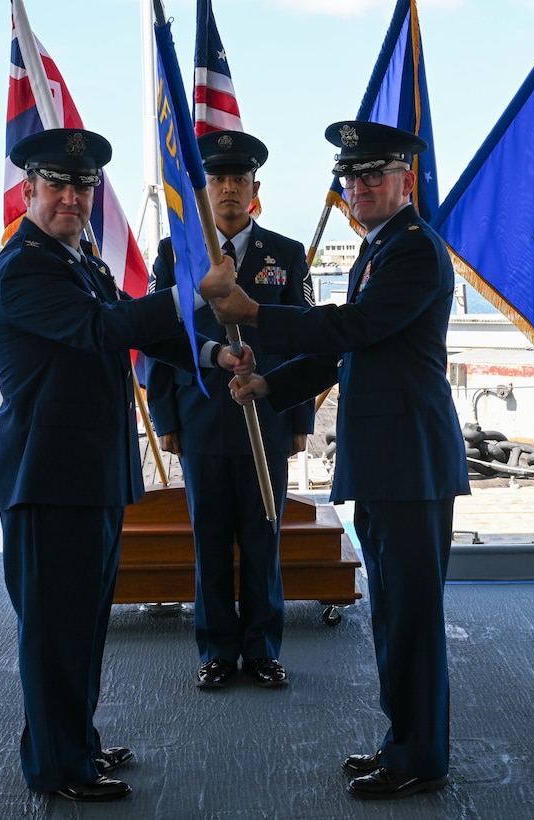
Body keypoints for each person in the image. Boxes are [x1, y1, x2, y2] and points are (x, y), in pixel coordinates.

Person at [203, 121, 470, 800]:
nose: (360, 187)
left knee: (410, 616)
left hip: (409, 462)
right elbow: (345, 348)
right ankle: (403, 742)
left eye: (374, 175)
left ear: (405, 178)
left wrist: (255, 312)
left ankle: (419, 758)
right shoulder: (380, 249)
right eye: (351, 177)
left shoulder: (412, 251)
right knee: (394, 613)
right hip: (388, 459)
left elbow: (351, 328)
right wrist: (271, 386)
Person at [0, 127, 243, 802]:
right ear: (30, 190)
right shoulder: (25, 268)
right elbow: (102, 331)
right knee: (54, 632)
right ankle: (58, 768)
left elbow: (137, 325)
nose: (71, 196)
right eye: (58, 185)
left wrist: (211, 355)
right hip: (49, 480)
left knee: (82, 625)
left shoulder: (82, 264)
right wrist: (196, 292)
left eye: (83, 187)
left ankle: (77, 743)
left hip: (89, 475)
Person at [146, 130, 315, 690]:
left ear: (255, 189)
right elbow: (160, 340)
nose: (227, 189)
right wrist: (166, 419)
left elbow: (307, 345)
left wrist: (299, 422)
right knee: (210, 539)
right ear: (204, 191)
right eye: (217, 179)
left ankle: (263, 648)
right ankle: (217, 649)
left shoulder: (286, 256)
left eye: (238, 179)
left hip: (267, 422)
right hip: (199, 420)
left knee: (264, 537)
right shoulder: (177, 254)